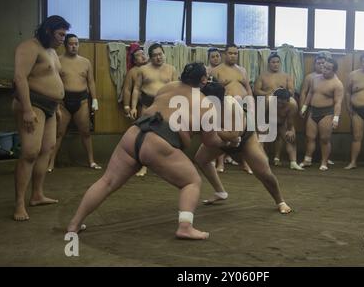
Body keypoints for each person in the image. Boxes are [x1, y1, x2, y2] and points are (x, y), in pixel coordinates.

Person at [67, 63, 239, 240]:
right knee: (192, 181)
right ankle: (185, 227)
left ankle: (74, 224)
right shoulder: (205, 104)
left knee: (107, 181)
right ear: (203, 80)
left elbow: (161, 110)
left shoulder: (168, 86)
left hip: (134, 133)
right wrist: (229, 141)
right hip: (159, 141)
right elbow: (209, 141)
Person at [194, 81, 293, 214]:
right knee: (201, 159)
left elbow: (235, 135)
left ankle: (280, 201)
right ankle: (220, 192)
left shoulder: (231, 107)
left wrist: (210, 127)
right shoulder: (203, 106)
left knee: (264, 173)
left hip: (246, 137)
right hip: (224, 137)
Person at [12, 15, 70, 221]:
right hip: (33, 104)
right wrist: (27, 109)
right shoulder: (29, 47)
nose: (63, 39)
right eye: (60, 34)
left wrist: (59, 107)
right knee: (30, 152)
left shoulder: (52, 52)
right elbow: (19, 77)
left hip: (51, 107)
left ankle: (37, 194)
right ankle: (19, 203)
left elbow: (53, 80)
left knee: (47, 149)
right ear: (48, 31)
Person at [48, 34, 101, 171]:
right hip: (63, 102)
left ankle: (91, 161)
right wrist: (55, 101)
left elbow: (91, 82)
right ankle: (50, 163)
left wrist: (94, 99)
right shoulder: (58, 61)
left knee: (86, 133)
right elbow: (53, 82)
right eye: (71, 43)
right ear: (65, 45)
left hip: (82, 101)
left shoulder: (85, 62)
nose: (74, 46)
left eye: (76, 43)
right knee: (59, 133)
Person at [130, 43, 178, 176]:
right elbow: (136, 89)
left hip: (165, 106)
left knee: (167, 137)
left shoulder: (171, 69)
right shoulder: (143, 70)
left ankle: (165, 166)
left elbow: (176, 89)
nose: (158, 57)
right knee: (144, 136)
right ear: (150, 57)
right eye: (155, 55)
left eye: (160, 54)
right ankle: (143, 166)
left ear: (164, 54)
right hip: (147, 105)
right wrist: (133, 107)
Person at [210, 44, 254, 174]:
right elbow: (213, 91)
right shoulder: (216, 70)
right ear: (225, 54)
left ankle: (246, 163)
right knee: (225, 134)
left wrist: (251, 103)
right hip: (227, 104)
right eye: (230, 53)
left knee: (247, 133)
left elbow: (248, 88)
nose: (233, 56)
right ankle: (220, 163)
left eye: (235, 53)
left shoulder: (242, 70)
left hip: (244, 104)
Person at [300, 59, 344, 171]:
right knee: (310, 137)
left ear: (334, 71)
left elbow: (338, 102)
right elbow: (310, 93)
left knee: (325, 139)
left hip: (327, 113)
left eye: (328, 69)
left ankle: (324, 162)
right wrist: (304, 107)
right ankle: (307, 159)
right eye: (324, 67)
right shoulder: (315, 79)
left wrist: (336, 118)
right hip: (313, 111)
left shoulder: (337, 84)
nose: (324, 70)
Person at [254, 53, 297, 168]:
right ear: (269, 63)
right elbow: (257, 91)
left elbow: (291, 91)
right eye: (273, 62)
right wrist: (271, 94)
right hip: (267, 109)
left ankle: (286, 160)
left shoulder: (286, 76)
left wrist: (281, 95)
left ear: (280, 63)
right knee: (261, 135)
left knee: (285, 135)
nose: (275, 64)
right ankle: (262, 160)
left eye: (277, 62)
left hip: (283, 109)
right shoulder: (262, 76)